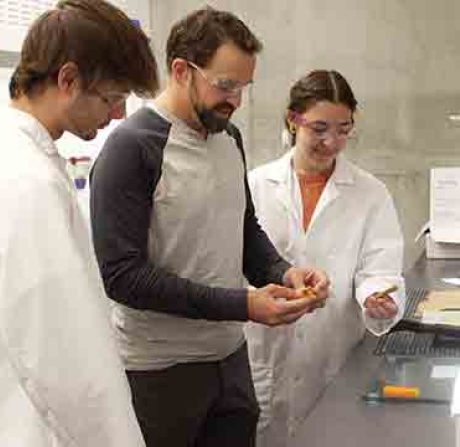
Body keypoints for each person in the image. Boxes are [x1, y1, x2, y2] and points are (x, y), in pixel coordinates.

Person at [89, 7, 330, 447]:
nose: (235, 100)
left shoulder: (228, 138)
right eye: (225, 85)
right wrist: (244, 305)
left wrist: (282, 272)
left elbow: (243, 230)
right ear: (181, 70)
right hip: (159, 373)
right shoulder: (132, 149)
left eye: (243, 87)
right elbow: (123, 277)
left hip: (229, 362)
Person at [0, 1, 159, 446]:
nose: (118, 115)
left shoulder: (6, 156)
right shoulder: (21, 179)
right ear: (68, 80)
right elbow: (61, 354)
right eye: (112, 97)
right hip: (36, 431)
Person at [244, 70, 405, 446]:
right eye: (319, 128)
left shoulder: (371, 193)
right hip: (267, 357)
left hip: (333, 359)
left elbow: (379, 268)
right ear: (292, 119)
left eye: (343, 129)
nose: (332, 142)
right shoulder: (254, 185)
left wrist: (376, 296)